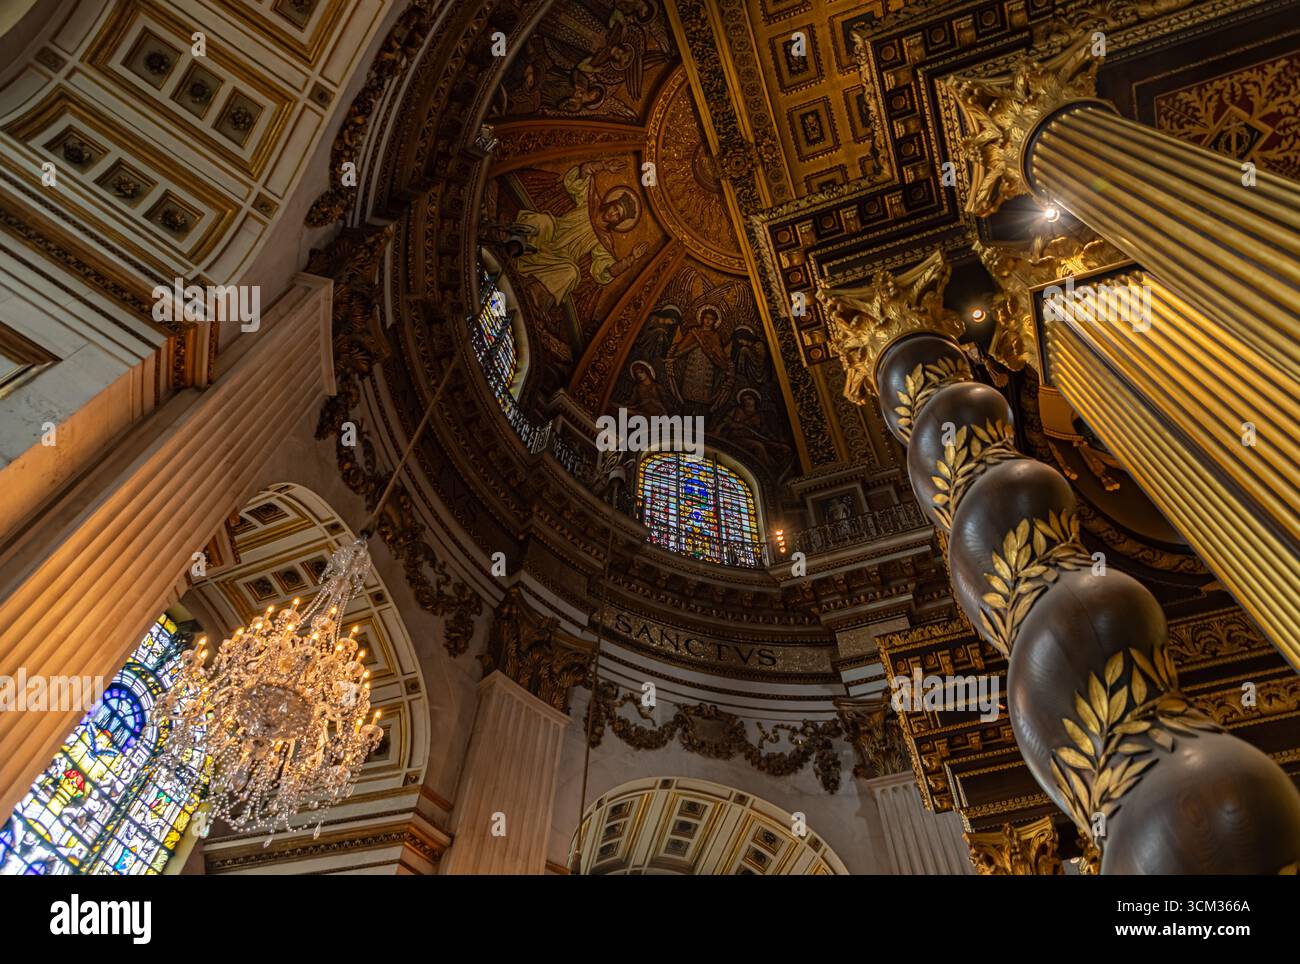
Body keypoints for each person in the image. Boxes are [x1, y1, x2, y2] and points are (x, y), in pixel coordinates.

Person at [512, 160, 648, 307]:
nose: (613, 213)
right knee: (544, 222)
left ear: (618, 222)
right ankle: (513, 243)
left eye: (618, 215)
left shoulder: (604, 240)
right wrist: (604, 166)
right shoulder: (590, 203)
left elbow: (605, 271)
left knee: (572, 273)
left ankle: (535, 296)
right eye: (615, 208)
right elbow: (583, 173)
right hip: (550, 233)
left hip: (559, 258)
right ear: (610, 203)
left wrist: (630, 260)